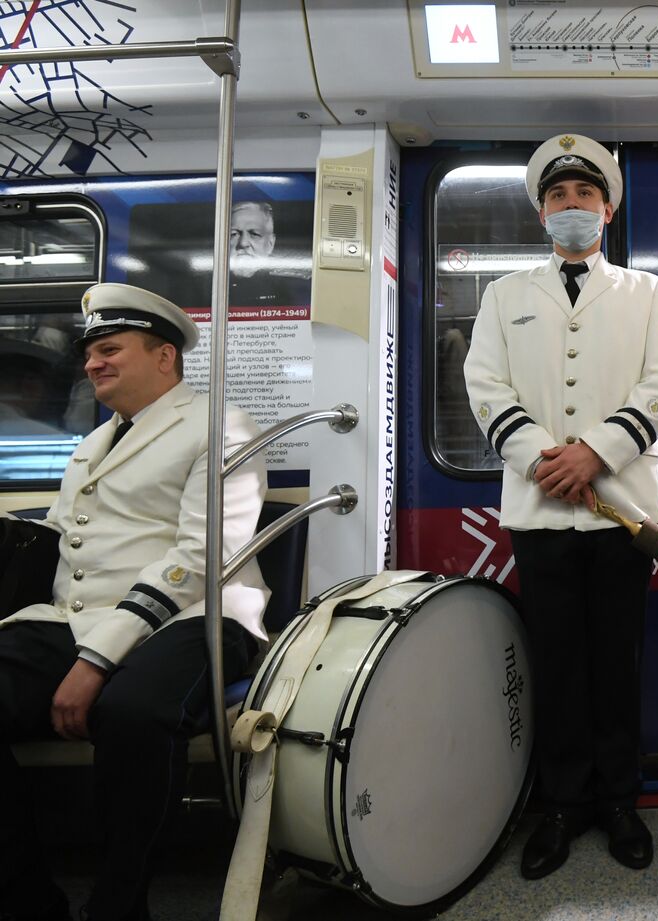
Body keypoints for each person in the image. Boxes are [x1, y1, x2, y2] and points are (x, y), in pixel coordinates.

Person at [0, 283, 269, 921]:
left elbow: (199, 558)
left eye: (110, 348)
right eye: (90, 351)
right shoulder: (94, 443)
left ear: (164, 356)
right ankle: (27, 901)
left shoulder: (220, 425)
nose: (92, 362)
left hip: (199, 613)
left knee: (133, 712)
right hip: (79, 616)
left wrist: (94, 662)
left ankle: (120, 904)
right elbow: (71, 548)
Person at [463, 134, 658, 879]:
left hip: (623, 507)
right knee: (556, 661)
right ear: (540, 214)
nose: (572, 206)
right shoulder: (504, 296)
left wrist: (596, 452)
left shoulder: (648, 293)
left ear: (609, 209)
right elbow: (486, 387)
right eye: (557, 196)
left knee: (617, 661)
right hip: (540, 511)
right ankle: (563, 804)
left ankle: (621, 799)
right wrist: (541, 459)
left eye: (585, 195)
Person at [227, 201, 305, 306]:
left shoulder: (294, 290)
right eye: (234, 234)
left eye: (254, 234)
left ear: (270, 244)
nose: (243, 243)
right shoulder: (203, 288)